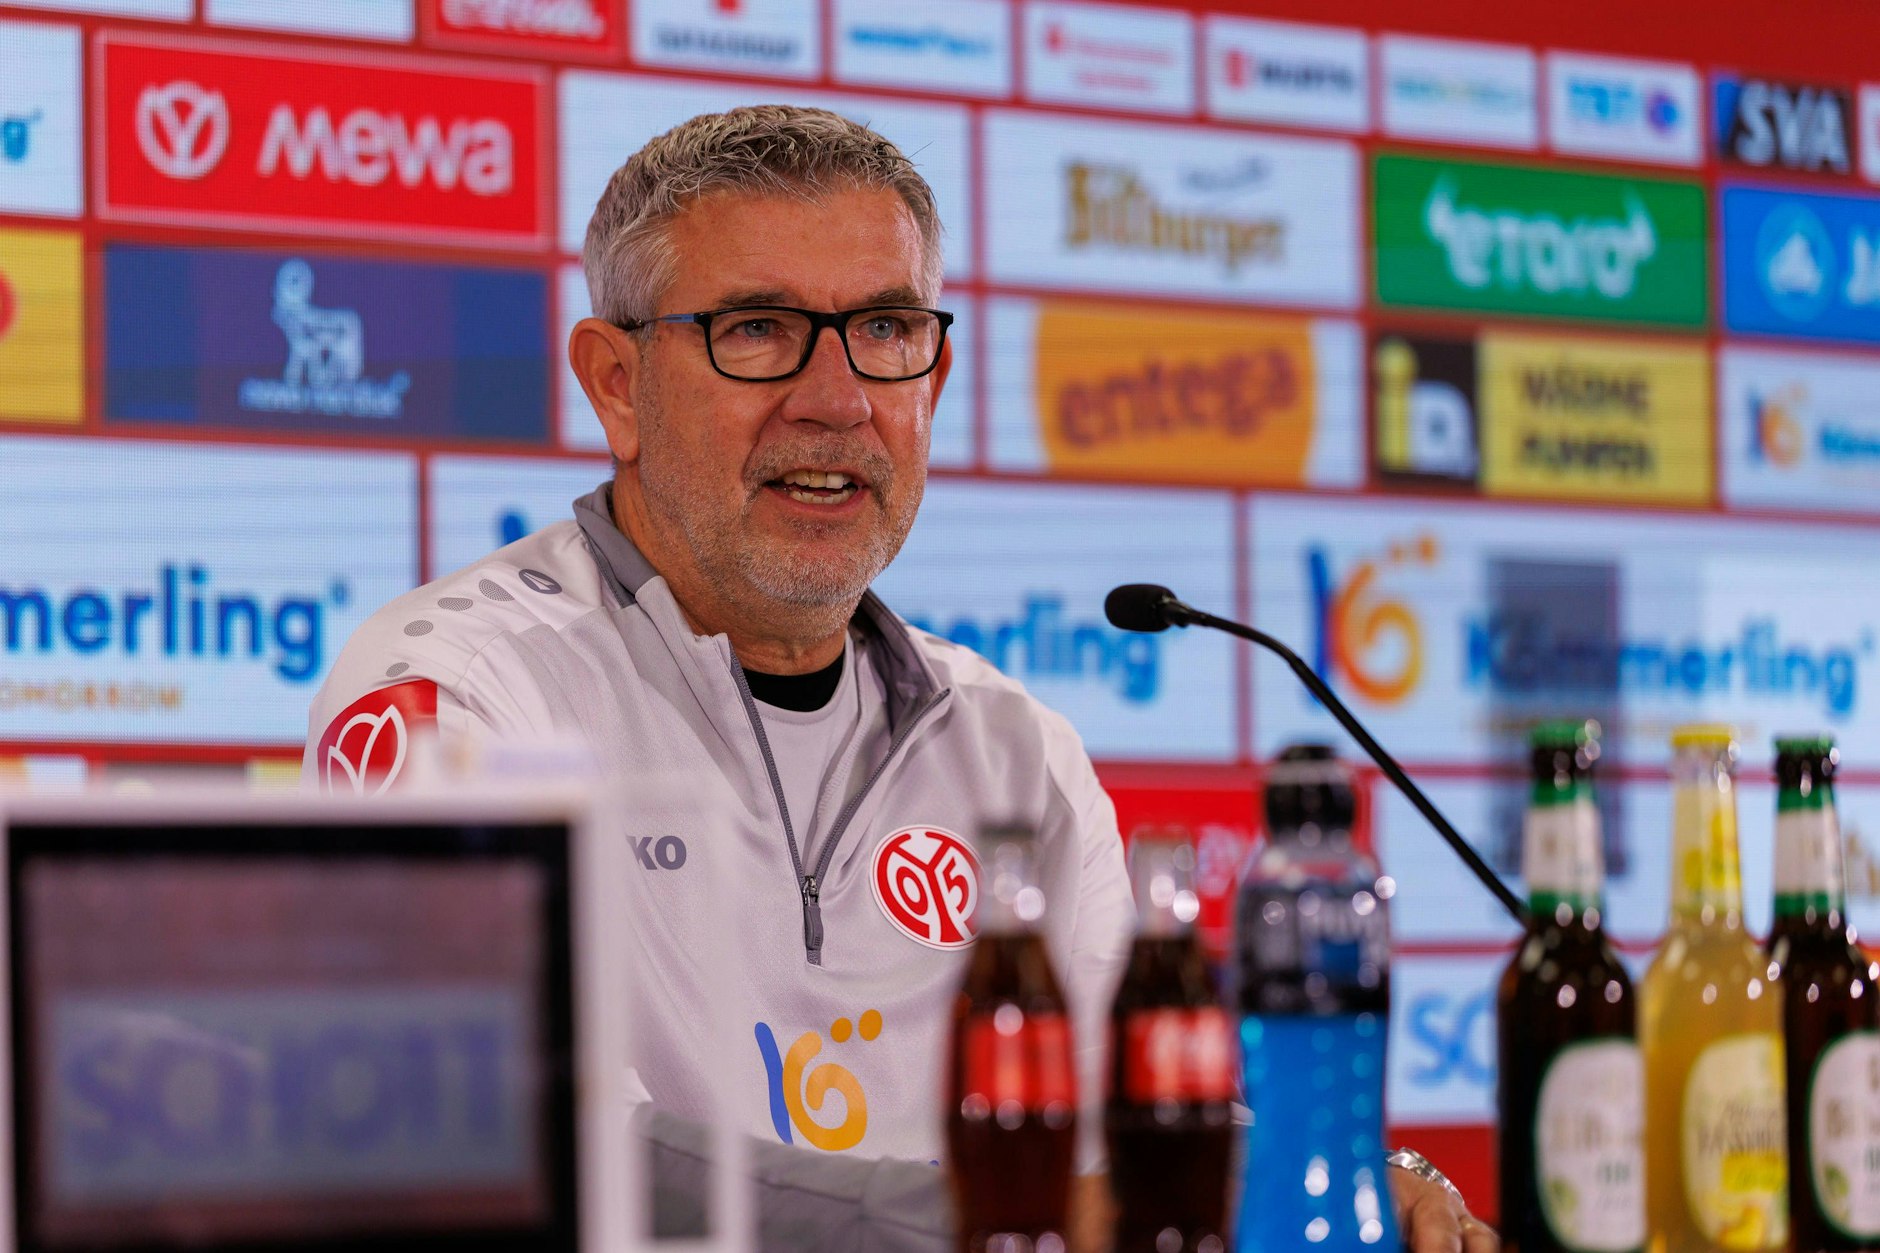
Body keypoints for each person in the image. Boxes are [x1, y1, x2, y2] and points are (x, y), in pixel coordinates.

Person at [304, 105, 1497, 1253]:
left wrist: (1342, 1179)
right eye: (758, 329)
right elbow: (503, 1140)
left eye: (884, 329)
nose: (836, 401)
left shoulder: (1015, 751)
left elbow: (1109, 1146)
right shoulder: (449, 697)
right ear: (616, 383)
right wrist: (967, 1223)